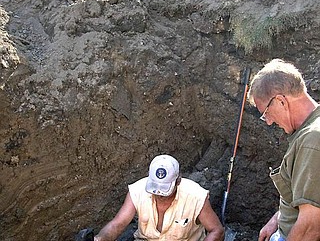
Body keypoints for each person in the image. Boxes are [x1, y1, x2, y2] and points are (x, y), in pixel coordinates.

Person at [247, 59, 320, 241]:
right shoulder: (307, 131)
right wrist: (277, 220)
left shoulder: (312, 141)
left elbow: (310, 229)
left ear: (280, 101)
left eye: (266, 113)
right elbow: (304, 196)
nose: (269, 121)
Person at [94, 154, 224, 241]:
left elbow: (217, 231)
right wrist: (100, 238)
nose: (159, 194)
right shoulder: (138, 191)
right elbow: (118, 224)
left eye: (164, 190)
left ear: (178, 181)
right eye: (155, 188)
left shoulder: (195, 196)